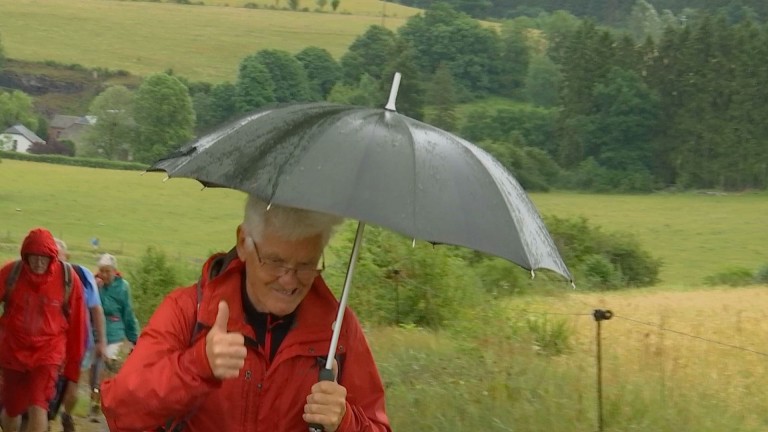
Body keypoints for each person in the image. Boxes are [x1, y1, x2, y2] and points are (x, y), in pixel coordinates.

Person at [101, 196, 390, 432]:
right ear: (243, 242)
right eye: (275, 261)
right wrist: (196, 365)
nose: (289, 280)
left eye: (306, 265)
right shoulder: (189, 311)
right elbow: (121, 412)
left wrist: (345, 422)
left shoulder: (339, 331)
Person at [0, 228, 87, 432]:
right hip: (13, 353)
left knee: (39, 405)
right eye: (34, 257)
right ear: (25, 256)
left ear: (52, 258)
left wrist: (73, 375)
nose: (39, 263)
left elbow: (78, 329)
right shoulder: (11, 273)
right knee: (12, 410)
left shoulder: (68, 279)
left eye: (44, 258)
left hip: (48, 355)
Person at [50, 238, 108, 432]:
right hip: (49, 342)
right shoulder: (41, 275)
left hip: (81, 341)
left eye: (59, 255)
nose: (55, 260)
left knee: (73, 383)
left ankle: (66, 414)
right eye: (52, 255)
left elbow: (96, 309)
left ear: (67, 256)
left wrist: (101, 341)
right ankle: (46, 419)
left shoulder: (82, 275)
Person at [89, 253, 139, 419]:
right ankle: (94, 396)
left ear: (114, 271)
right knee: (94, 367)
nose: (104, 274)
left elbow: (128, 313)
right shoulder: (94, 284)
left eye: (108, 271)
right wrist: (95, 288)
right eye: (102, 271)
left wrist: (134, 337)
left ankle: (100, 403)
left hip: (115, 333)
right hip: (95, 332)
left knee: (107, 365)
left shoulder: (123, 287)